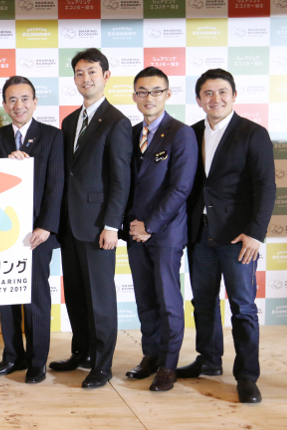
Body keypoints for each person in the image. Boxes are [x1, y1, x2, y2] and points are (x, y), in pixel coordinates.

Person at [180, 68, 275, 404]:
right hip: (199, 235)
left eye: (222, 92)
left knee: (243, 307)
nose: (215, 99)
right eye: (208, 93)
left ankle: (247, 375)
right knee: (203, 302)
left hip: (238, 239)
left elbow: (266, 187)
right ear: (198, 99)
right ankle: (209, 359)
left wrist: (255, 234)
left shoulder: (253, 133)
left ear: (234, 96)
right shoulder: (190, 133)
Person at [49, 48, 133, 388]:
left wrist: (112, 225)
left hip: (99, 226)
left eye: (92, 72)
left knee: (100, 298)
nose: (86, 78)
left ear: (106, 76)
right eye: (80, 73)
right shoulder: (70, 121)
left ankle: (102, 364)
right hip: (70, 225)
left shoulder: (117, 122)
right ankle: (81, 352)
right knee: (76, 295)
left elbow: (121, 180)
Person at [0, 76, 63, 384]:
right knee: (6, 296)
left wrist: (46, 226)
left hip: (37, 233)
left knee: (35, 298)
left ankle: (37, 361)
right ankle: (12, 356)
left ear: (35, 102)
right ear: (5, 105)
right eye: (12, 100)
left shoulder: (52, 136)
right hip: (2, 232)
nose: (19, 105)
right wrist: (6, 164)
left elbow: (56, 184)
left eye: (25, 98)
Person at [123, 66, 198, 391]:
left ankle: (168, 366)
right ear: (134, 96)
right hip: (134, 233)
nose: (149, 97)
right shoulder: (130, 133)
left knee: (168, 301)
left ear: (167, 94)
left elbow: (181, 188)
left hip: (165, 233)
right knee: (145, 300)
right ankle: (150, 356)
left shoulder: (181, 133)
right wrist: (132, 225)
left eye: (156, 91)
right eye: (142, 91)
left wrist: (150, 225)